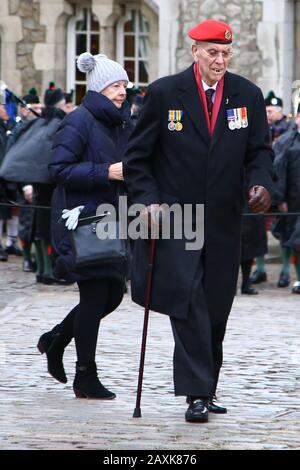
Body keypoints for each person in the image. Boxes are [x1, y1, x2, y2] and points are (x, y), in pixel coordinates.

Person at [124, 19, 274, 423]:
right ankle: (196, 393)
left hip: (226, 220)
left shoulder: (247, 95)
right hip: (177, 220)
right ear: (195, 52)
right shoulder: (163, 93)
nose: (220, 60)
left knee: (216, 308)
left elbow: (259, 151)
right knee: (188, 303)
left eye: (226, 53)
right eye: (213, 53)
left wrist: (261, 183)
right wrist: (149, 200)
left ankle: (206, 385)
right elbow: (137, 159)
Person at [37, 52, 131, 398]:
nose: (122, 91)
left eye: (124, 85)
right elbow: (58, 170)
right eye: (116, 85)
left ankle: (56, 339)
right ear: (100, 87)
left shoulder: (121, 121)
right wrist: (105, 172)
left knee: (112, 295)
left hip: (112, 220)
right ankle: (84, 376)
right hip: (81, 221)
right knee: (94, 294)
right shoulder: (80, 121)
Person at [271, 103, 300, 294]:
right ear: (297, 119)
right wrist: (280, 198)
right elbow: (278, 171)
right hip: (294, 199)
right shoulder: (286, 142)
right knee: (296, 242)